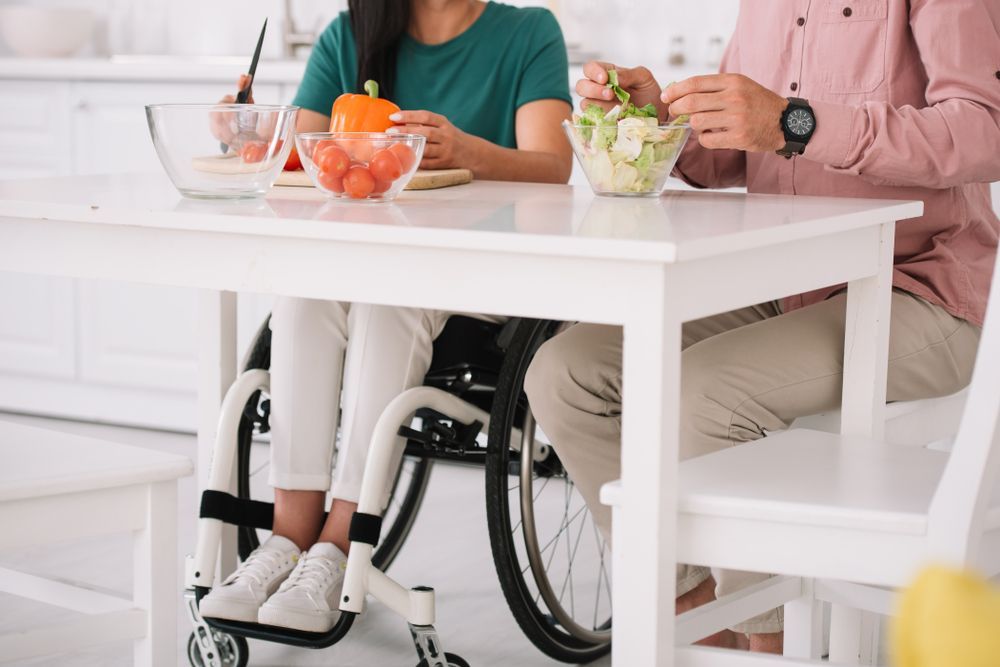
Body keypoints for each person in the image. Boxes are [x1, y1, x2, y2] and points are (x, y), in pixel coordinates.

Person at [524, 0, 1000, 654]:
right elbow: (736, 153)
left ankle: (769, 644)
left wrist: (793, 122)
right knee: (565, 372)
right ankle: (698, 611)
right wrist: (660, 117)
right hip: (788, 284)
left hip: (921, 288)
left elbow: (982, 131)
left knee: (707, 394)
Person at [200, 0, 572, 633]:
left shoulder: (528, 31)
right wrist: (247, 135)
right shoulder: (350, 36)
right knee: (305, 291)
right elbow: (301, 156)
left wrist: (468, 151)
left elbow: (553, 166)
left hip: (486, 273)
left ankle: (339, 546)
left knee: (388, 296)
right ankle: (286, 539)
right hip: (365, 261)